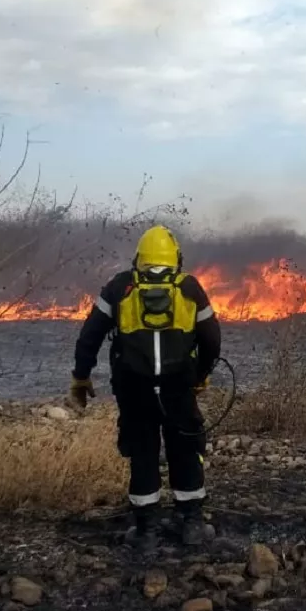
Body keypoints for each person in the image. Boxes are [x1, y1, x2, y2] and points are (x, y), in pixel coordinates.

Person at [67, 224, 221, 553]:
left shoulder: (121, 286)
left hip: (133, 387)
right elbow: (211, 339)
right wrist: (201, 374)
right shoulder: (189, 287)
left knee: (143, 451)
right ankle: (191, 524)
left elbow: (90, 334)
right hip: (178, 386)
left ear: (139, 258)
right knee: (186, 447)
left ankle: (146, 530)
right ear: (175, 259)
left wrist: (81, 376)